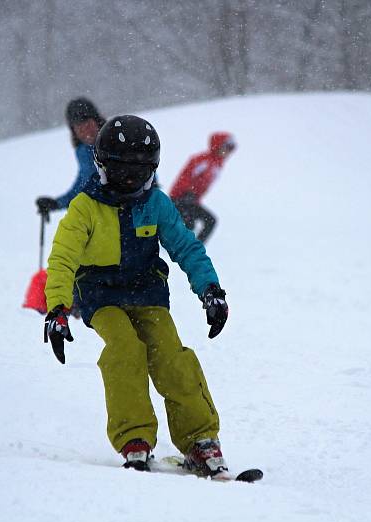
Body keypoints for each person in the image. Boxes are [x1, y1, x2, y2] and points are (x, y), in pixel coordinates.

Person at [43, 114, 231, 476]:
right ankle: (135, 438)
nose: (130, 181)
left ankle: (200, 440)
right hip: (101, 296)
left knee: (171, 356)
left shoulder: (156, 204)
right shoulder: (85, 207)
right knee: (125, 349)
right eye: (121, 172)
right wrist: (57, 309)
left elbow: (186, 247)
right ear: (102, 167)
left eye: (140, 173)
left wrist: (210, 290)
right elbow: (63, 259)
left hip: (147, 293)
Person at [35, 97, 106, 217]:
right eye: (79, 127)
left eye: (87, 124)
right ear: (73, 131)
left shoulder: (114, 142)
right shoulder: (83, 152)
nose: (85, 130)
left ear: (97, 121)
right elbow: (80, 188)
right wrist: (56, 203)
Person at [168, 132, 236, 243]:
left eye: (231, 148)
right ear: (218, 146)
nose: (229, 152)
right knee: (189, 223)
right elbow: (185, 176)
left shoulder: (218, 164)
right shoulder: (202, 160)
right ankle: (174, 248)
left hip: (193, 200)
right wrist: (186, 193)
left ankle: (195, 249)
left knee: (210, 221)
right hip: (179, 198)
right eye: (227, 147)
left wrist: (195, 198)